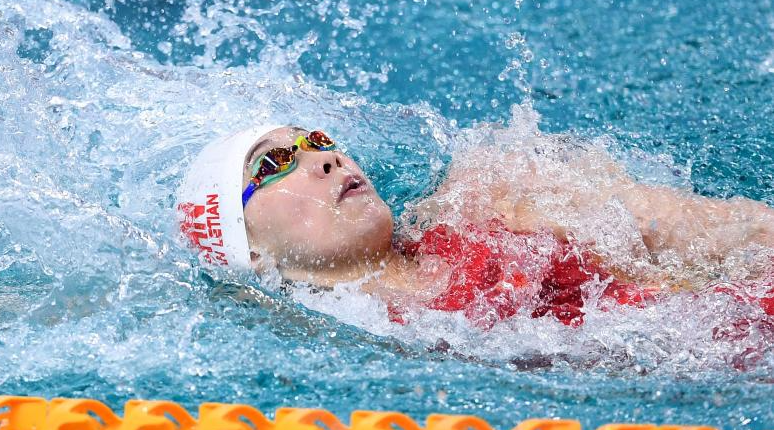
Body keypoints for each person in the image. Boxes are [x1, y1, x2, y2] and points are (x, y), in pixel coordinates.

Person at [175, 123, 774, 330]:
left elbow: (730, 232)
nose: (325, 159)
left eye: (318, 140)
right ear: (251, 250)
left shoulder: (482, 199)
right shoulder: (351, 341)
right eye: (275, 165)